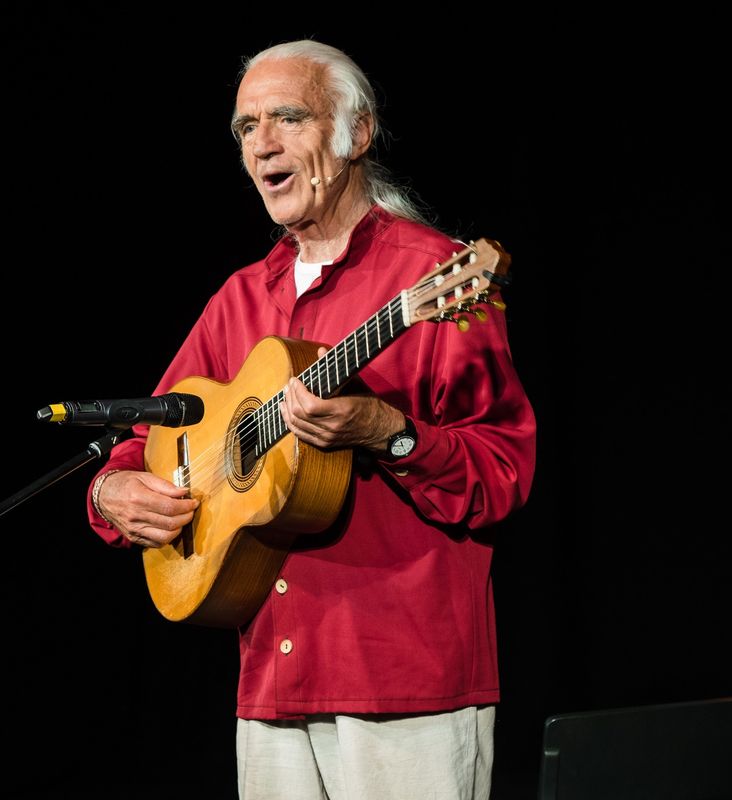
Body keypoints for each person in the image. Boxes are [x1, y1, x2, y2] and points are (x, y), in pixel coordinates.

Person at [86, 39, 535, 800]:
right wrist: (111, 496)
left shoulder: (432, 278)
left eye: (287, 118)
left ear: (356, 135)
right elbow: (144, 442)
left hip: (405, 683)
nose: (261, 144)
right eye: (245, 128)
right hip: (272, 683)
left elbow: (504, 474)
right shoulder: (240, 298)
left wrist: (390, 434)